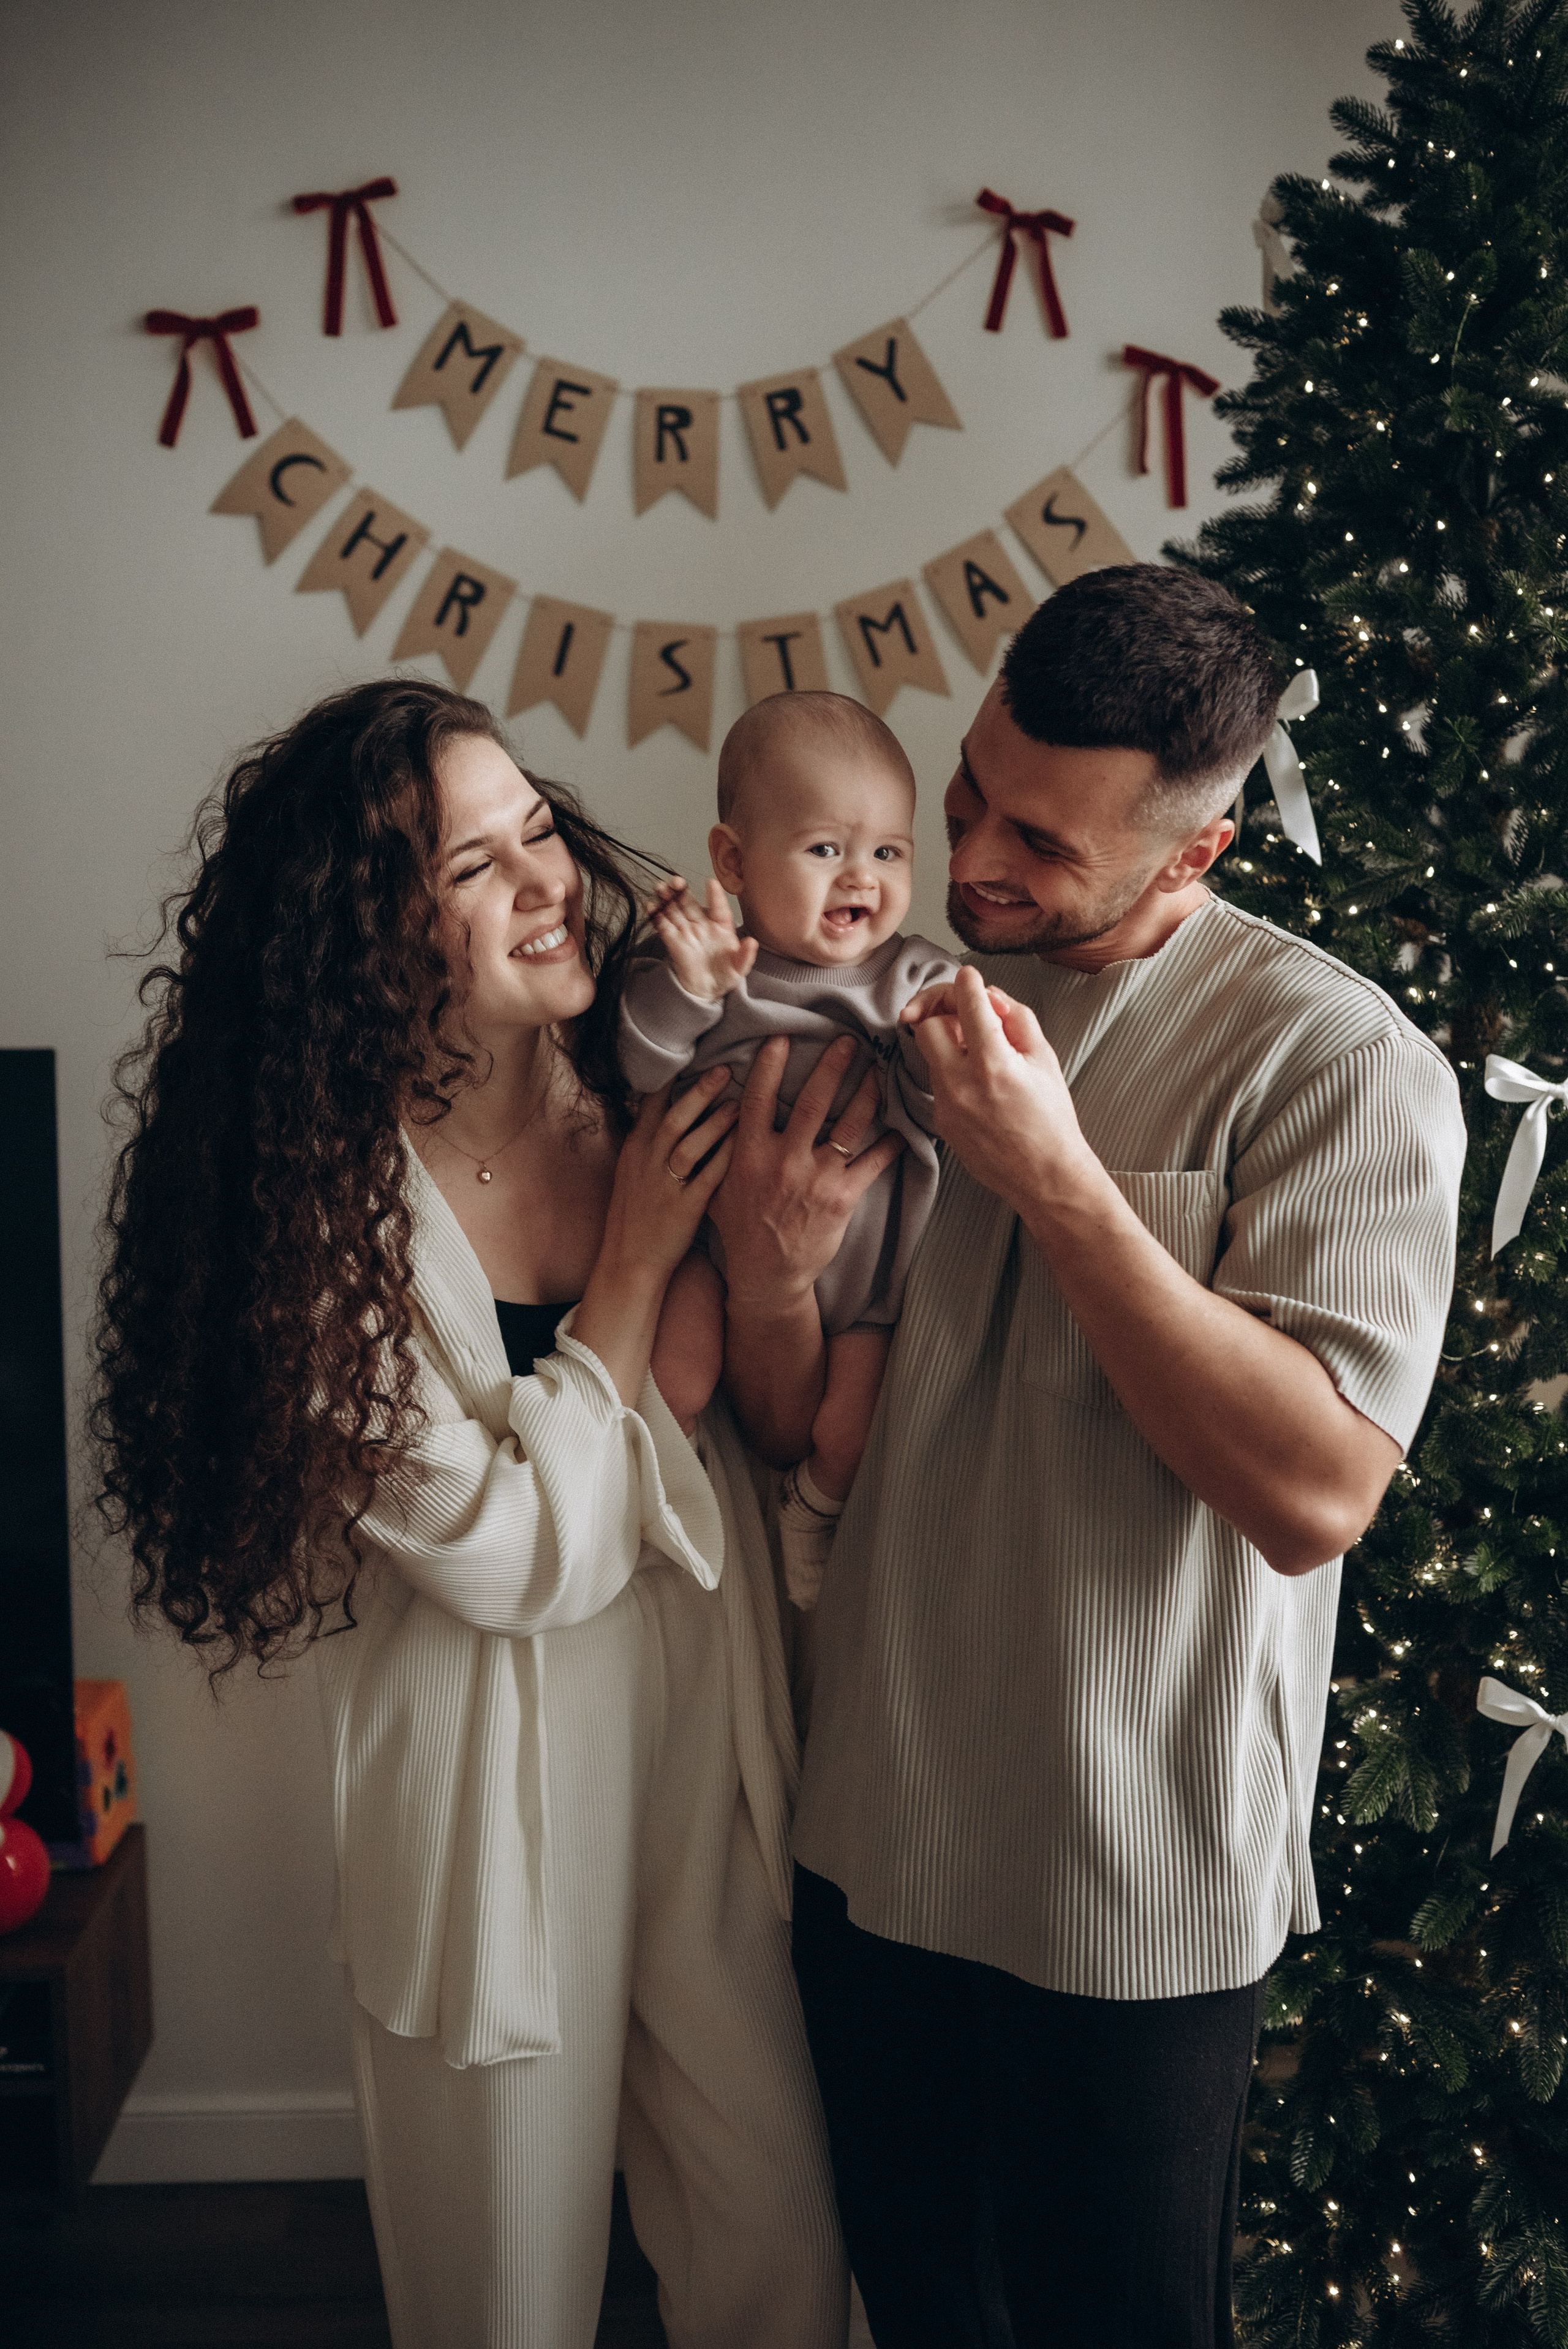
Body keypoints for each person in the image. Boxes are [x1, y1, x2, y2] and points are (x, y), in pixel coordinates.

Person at [710, 567, 1468, 2349]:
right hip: (873, 1836)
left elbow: (1315, 1494)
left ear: (1192, 859)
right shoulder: (898, 994)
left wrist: (1055, 1175)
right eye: (973, 794)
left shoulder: (1338, 1062)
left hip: (1126, 1885)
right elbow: (783, 1425)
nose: (968, 862)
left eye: (1041, 843)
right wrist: (765, 1265)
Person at [91, 679, 851, 2349]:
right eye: (473, 869)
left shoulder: (647, 1075)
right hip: (493, 1781)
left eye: (537, 831)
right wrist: (641, 1263)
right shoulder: (317, 1209)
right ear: (369, 937)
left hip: (703, 1737)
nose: (547, 881)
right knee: (502, 2283)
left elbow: (744, 1418)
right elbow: (507, 1557)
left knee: (782, 2227)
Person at [622, 690, 956, 1607]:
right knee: (669, 1376)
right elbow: (640, 1069)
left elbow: (946, 1114)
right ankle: (662, 1505)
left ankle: (810, 1518)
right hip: (710, 1246)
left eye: (889, 852)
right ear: (733, 859)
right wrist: (689, 991)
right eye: (826, 850)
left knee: (854, 1429)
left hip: (872, 1283)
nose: (862, 878)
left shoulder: (917, 976)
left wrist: (937, 1051)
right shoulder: (712, 966)